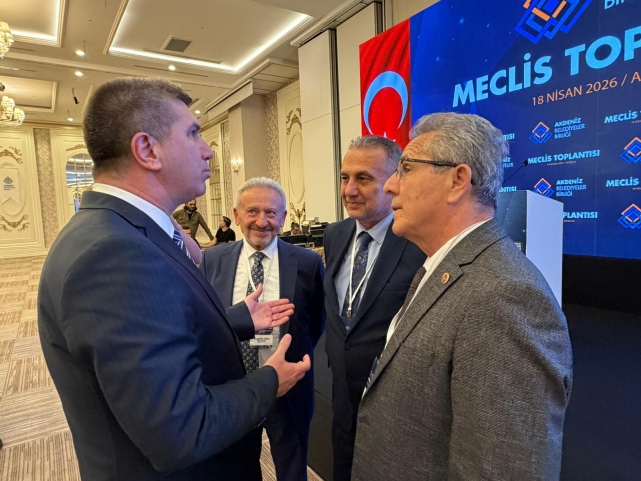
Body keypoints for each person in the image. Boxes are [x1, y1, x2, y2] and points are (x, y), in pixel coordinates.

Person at [37, 77, 310, 481]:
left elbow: (153, 331)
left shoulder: (120, 232)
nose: (209, 149)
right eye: (194, 133)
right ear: (147, 150)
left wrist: (235, 319)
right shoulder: (116, 254)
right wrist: (270, 380)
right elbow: (182, 429)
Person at [351, 113, 573, 480]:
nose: (389, 186)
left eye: (406, 168)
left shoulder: (504, 296)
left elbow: (502, 470)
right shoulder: (444, 268)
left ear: (457, 180)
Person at [200, 177, 325, 481]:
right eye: (252, 211)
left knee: (292, 469)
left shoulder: (308, 262)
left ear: (283, 218)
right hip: (234, 389)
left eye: (271, 212)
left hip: (288, 386)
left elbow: (315, 321)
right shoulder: (212, 260)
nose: (262, 221)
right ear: (236, 215)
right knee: (236, 469)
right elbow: (207, 320)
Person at [323, 136, 426, 481]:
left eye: (363, 178)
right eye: (344, 177)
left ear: (395, 181)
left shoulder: (418, 241)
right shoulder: (335, 235)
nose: (349, 190)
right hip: (341, 390)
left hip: (393, 399)